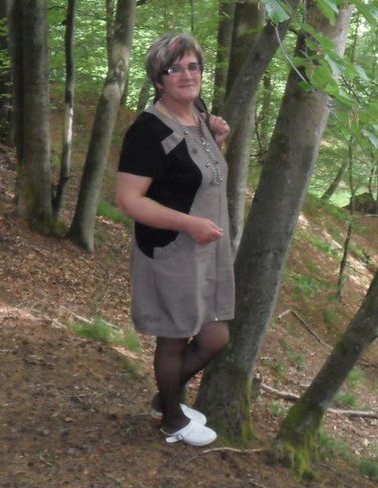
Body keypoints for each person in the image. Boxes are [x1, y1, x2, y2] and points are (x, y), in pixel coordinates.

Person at [116, 32, 234, 447]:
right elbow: (128, 199)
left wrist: (217, 141)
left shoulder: (199, 115)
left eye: (193, 66)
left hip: (206, 250)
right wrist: (188, 224)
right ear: (158, 79)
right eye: (174, 69)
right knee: (174, 337)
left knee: (215, 337)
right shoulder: (148, 129)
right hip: (171, 249)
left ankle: (165, 398)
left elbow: (191, 173)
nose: (187, 75)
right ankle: (172, 419)